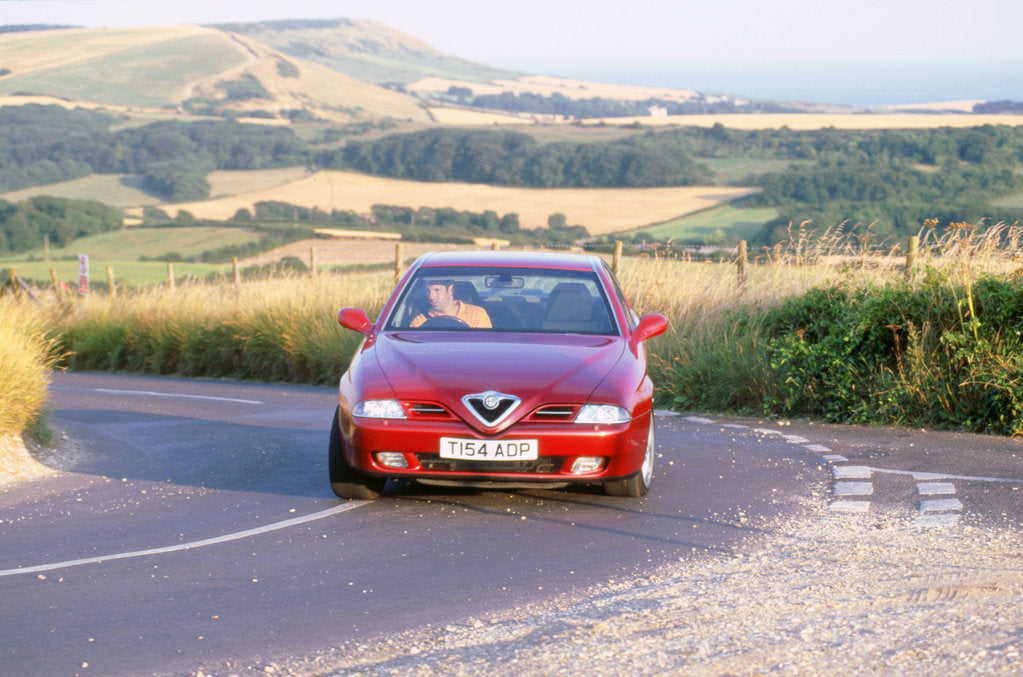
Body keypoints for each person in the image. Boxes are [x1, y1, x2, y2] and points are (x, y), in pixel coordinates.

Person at [410, 279, 491, 328]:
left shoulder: (477, 314)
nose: (431, 297)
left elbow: (483, 347)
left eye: (437, 290)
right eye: (428, 291)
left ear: (450, 290)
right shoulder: (420, 321)